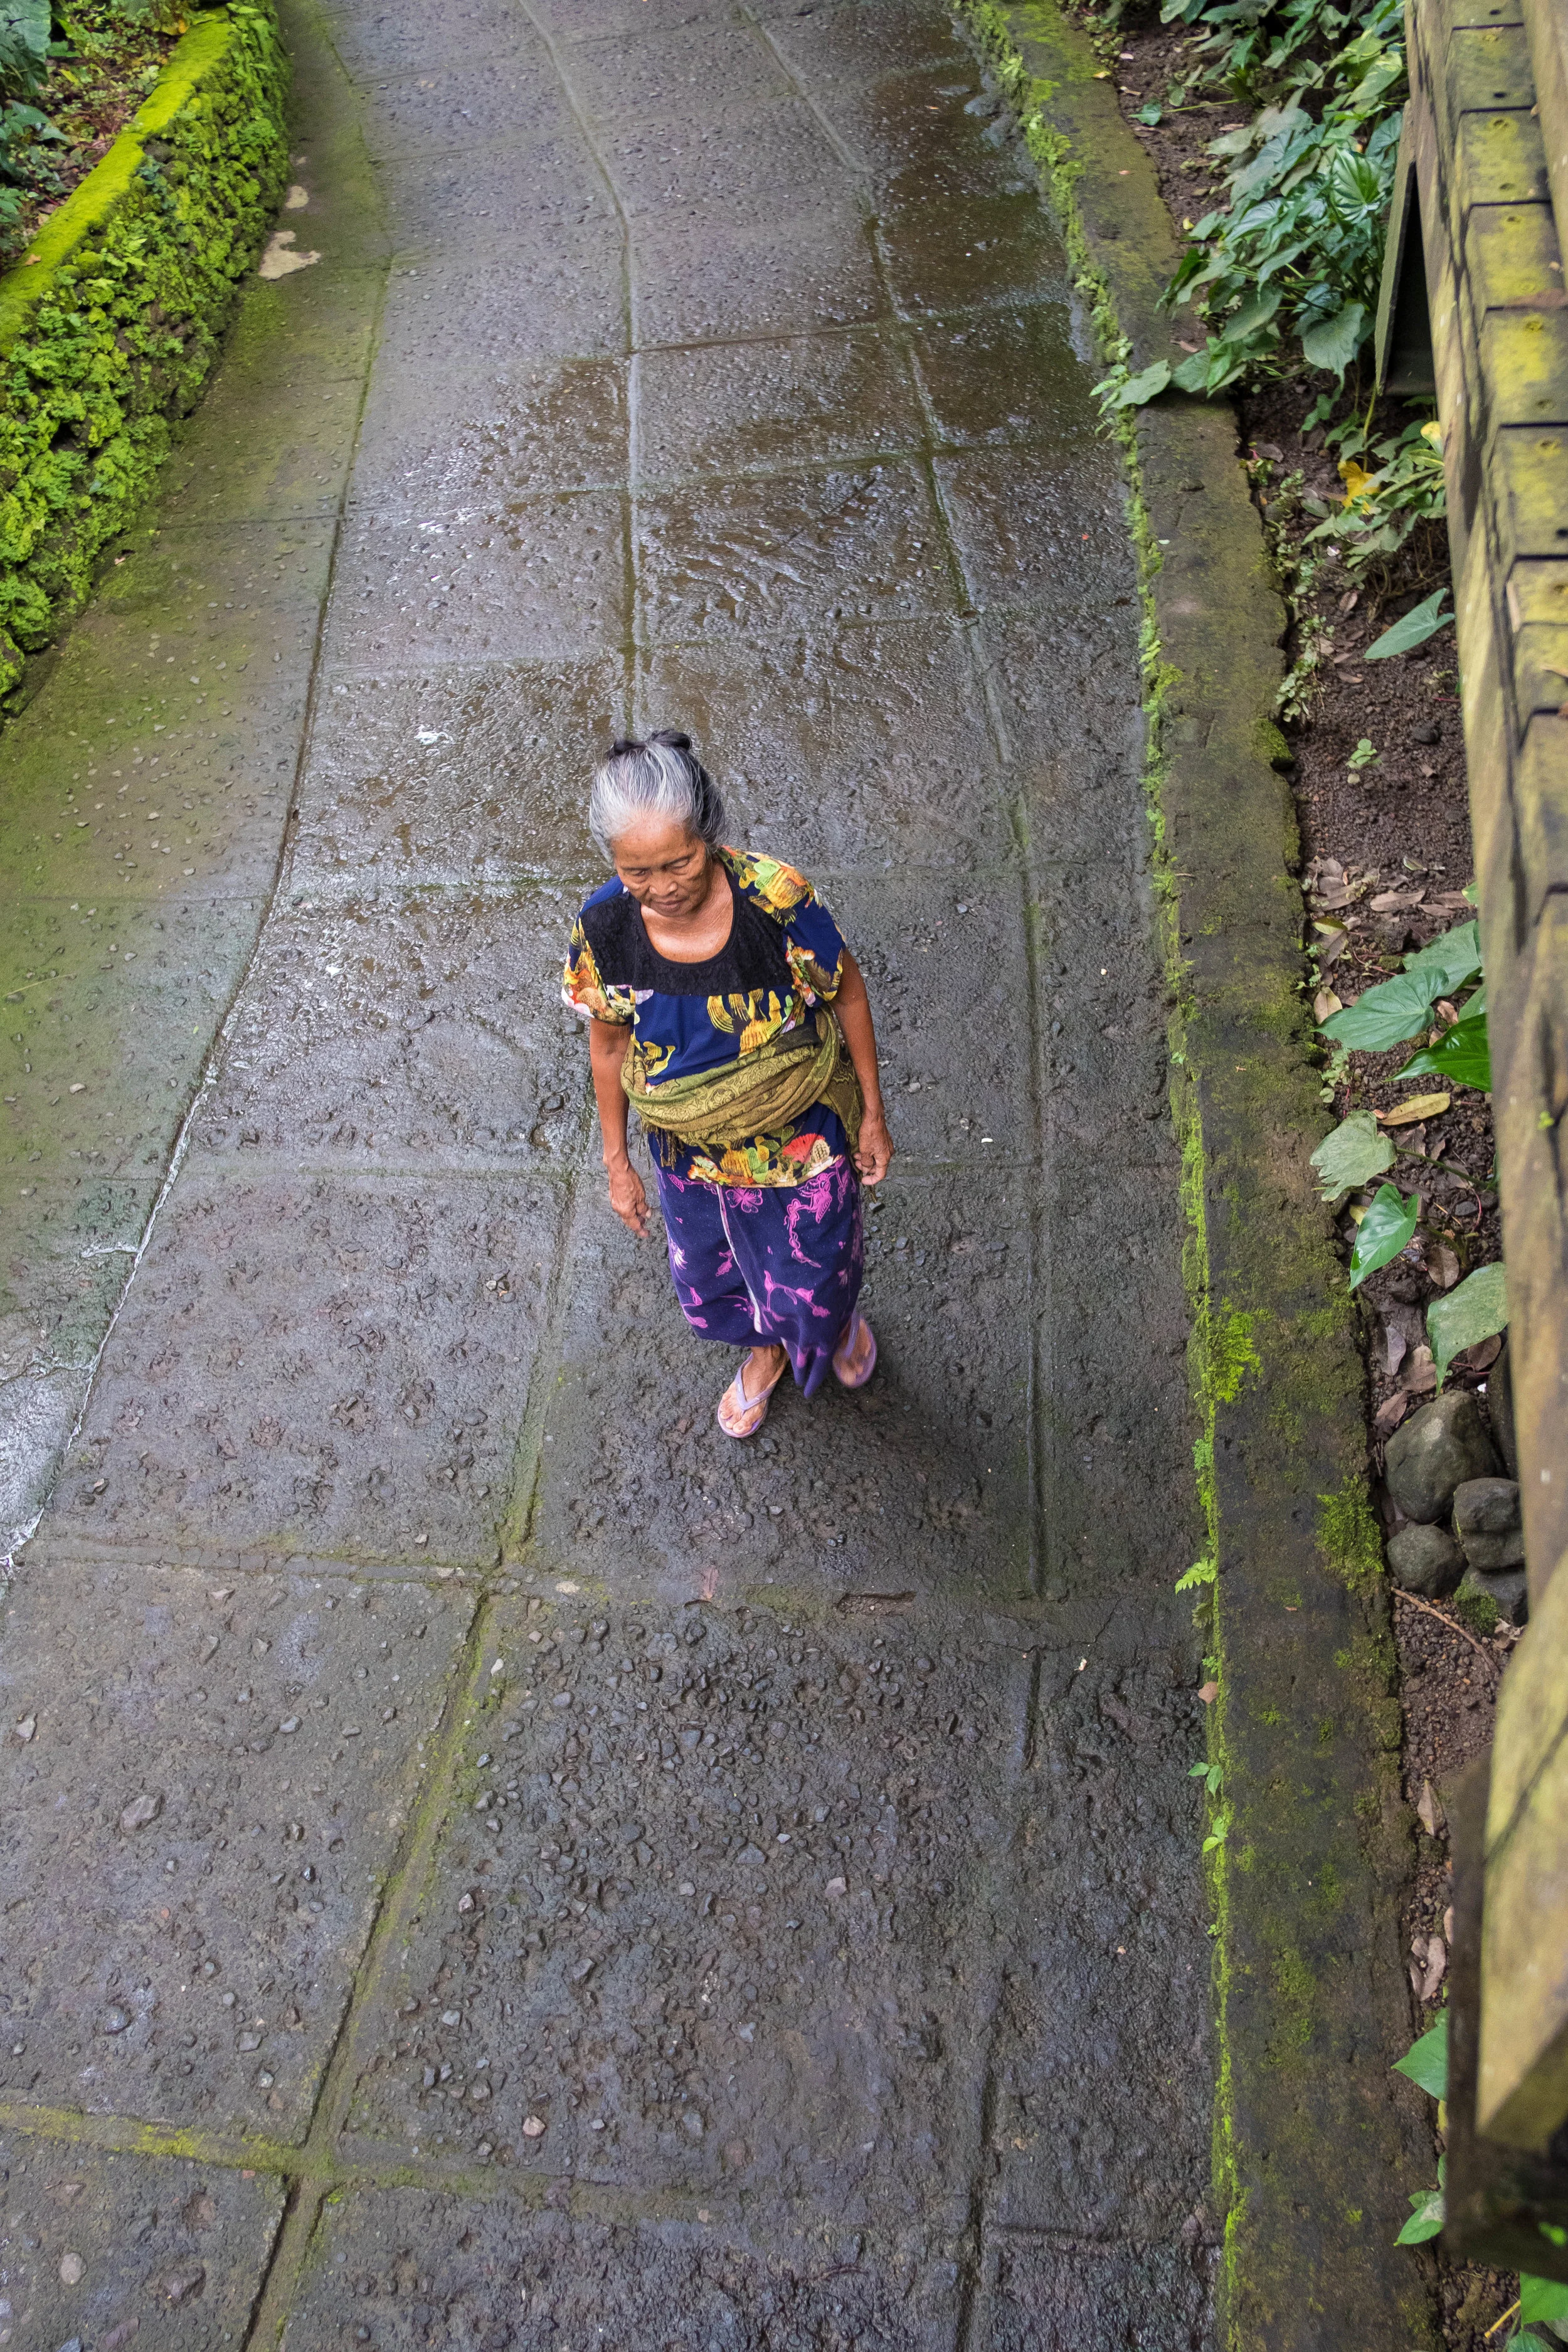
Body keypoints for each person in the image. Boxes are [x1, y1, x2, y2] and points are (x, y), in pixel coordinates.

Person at [563, 731, 894, 1439]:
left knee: (820, 1263)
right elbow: (610, 1043)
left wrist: (872, 1113)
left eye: (679, 861)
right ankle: (766, 1350)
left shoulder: (774, 899)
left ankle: (830, 1329)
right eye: (638, 871)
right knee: (719, 1271)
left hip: (800, 1142)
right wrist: (617, 1161)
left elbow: (847, 995)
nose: (664, 886)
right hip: (691, 1154)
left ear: (708, 833)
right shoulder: (603, 927)